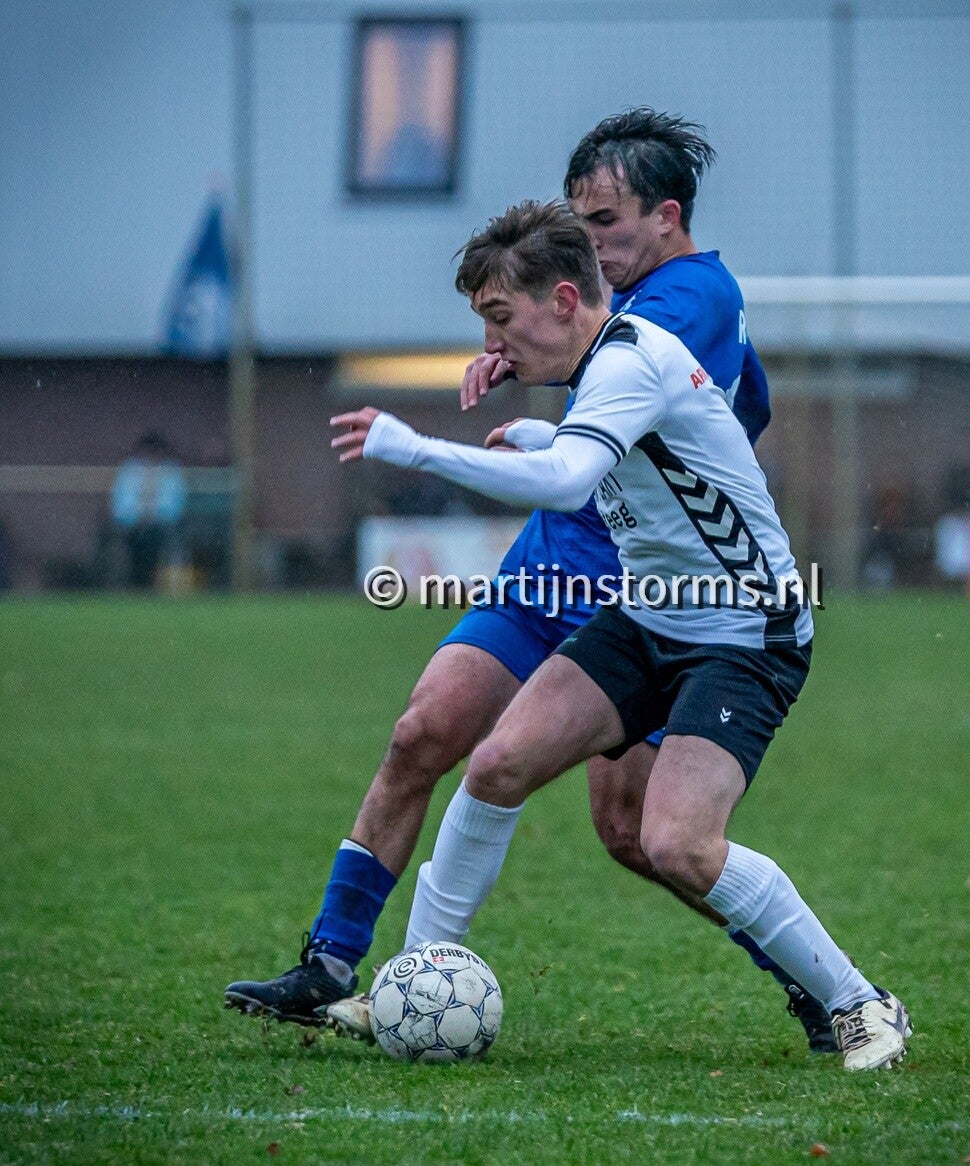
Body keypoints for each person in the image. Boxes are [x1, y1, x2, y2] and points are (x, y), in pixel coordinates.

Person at [225, 110, 835, 1052]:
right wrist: (518, 342)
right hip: (557, 555)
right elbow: (592, 352)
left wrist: (525, 357)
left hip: (648, 584)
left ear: (667, 218)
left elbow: (611, 366)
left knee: (635, 830)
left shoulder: (693, 296)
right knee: (425, 729)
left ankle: (807, 978)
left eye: (604, 223)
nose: (589, 245)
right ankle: (335, 965)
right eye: (579, 223)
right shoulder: (616, 299)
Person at [328, 201, 911, 1072]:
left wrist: (414, 447)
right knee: (497, 765)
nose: (492, 342)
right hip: (649, 616)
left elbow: (568, 484)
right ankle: (413, 982)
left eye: (501, 316)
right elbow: (632, 459)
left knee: (676, 842)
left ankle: (860, 1002)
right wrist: (544, 432)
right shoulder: (611, 361)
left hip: (743, 634)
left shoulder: (632, 358)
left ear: (564, 300)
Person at [109, 432, 187, 589]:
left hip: (162, 526)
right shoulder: (129, 470)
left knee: (157, 541)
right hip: (132, 526)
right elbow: (121, 503)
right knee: (133, 543)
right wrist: (137, 517)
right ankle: (132, 584)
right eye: (148, 451)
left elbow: (174, 504)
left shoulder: (171, 471)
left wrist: (155, 516)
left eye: (155, 451)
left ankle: (156, 584)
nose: (151, 455)